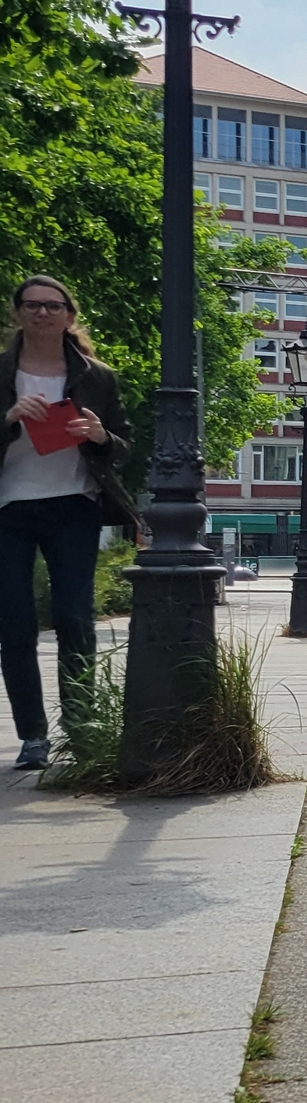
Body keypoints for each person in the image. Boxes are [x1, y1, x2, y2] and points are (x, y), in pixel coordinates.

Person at [1, 276, 136, 770]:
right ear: (17, 313)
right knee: (14, 626)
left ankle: (80, 729)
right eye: (32, 305)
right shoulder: (1, 372)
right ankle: (33, 737)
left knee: (75, 620)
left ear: (68, 316)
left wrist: (100, 436)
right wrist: (9, 418)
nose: (42, 313)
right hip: (8, 510)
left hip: (74, 507)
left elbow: (123, 447)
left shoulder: (97, 377)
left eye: (53, 306)